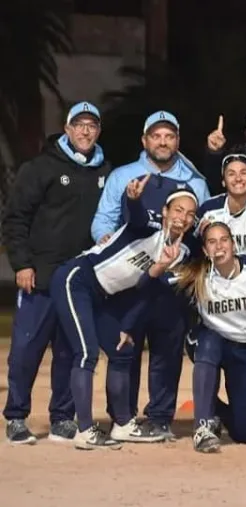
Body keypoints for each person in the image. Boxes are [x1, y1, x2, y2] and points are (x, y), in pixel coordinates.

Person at [51, 182, 198, 449]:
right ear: (165, 211)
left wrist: (128, 324)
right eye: (178, 209)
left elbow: (146, 290)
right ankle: (84, 429)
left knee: (122, 352)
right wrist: (133, 198)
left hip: (103, 296)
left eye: (190, 213)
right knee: (86, 353)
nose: (183, 217)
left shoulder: (180, 251)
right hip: (77, 278)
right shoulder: (150, 224)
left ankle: (122, 424)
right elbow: (136, 217)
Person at [3, 101, 112, 444]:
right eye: (78, 125)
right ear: (66, 129)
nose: (85, 131)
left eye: (91, 126)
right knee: (26, 351)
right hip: (39, 277)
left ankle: (62, 417)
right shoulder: (40, 168)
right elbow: (15, 217)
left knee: (69, 352)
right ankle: (17, 417)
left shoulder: (104, 171)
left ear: (97, 131)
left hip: (77, 281)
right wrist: (22, 263)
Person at [141, 222, 246, 453]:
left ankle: (216, 408)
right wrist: (161, 265)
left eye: (224, 240)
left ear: (234, 244)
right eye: (212, 241)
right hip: (210, 342)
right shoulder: (198, 274)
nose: (219, 246)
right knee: (209, 342)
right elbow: (150, 284)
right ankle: (202, 427)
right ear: (204, 250)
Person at [92, 110, 210, 244]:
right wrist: (104, 237)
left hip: (179, 260)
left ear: (178, 141)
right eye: (156, 136)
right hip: (131, 258)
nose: (163, 142)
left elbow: (206, 224)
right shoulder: (121, 176)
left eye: (169, 137)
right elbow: (104, 219)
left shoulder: (196, 182)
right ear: (144, 140)